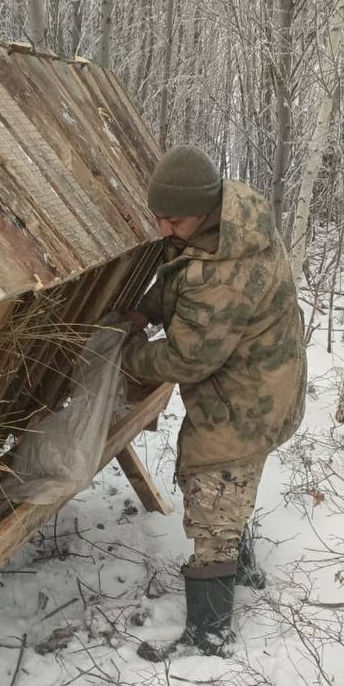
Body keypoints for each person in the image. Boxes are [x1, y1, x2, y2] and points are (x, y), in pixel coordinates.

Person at [121, 144, 307, 659]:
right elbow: (183, 273)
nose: (163, 230)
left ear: (202, 209)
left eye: (172, 220)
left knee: (213, 489)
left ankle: (209, 635)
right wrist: (147, 310)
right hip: (264, 383)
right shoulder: (223, 229)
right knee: (232, 484)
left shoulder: (228, 272)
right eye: (158, 217)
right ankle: (243, 568)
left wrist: (130, 355)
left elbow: (186, 359)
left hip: (245, 400)